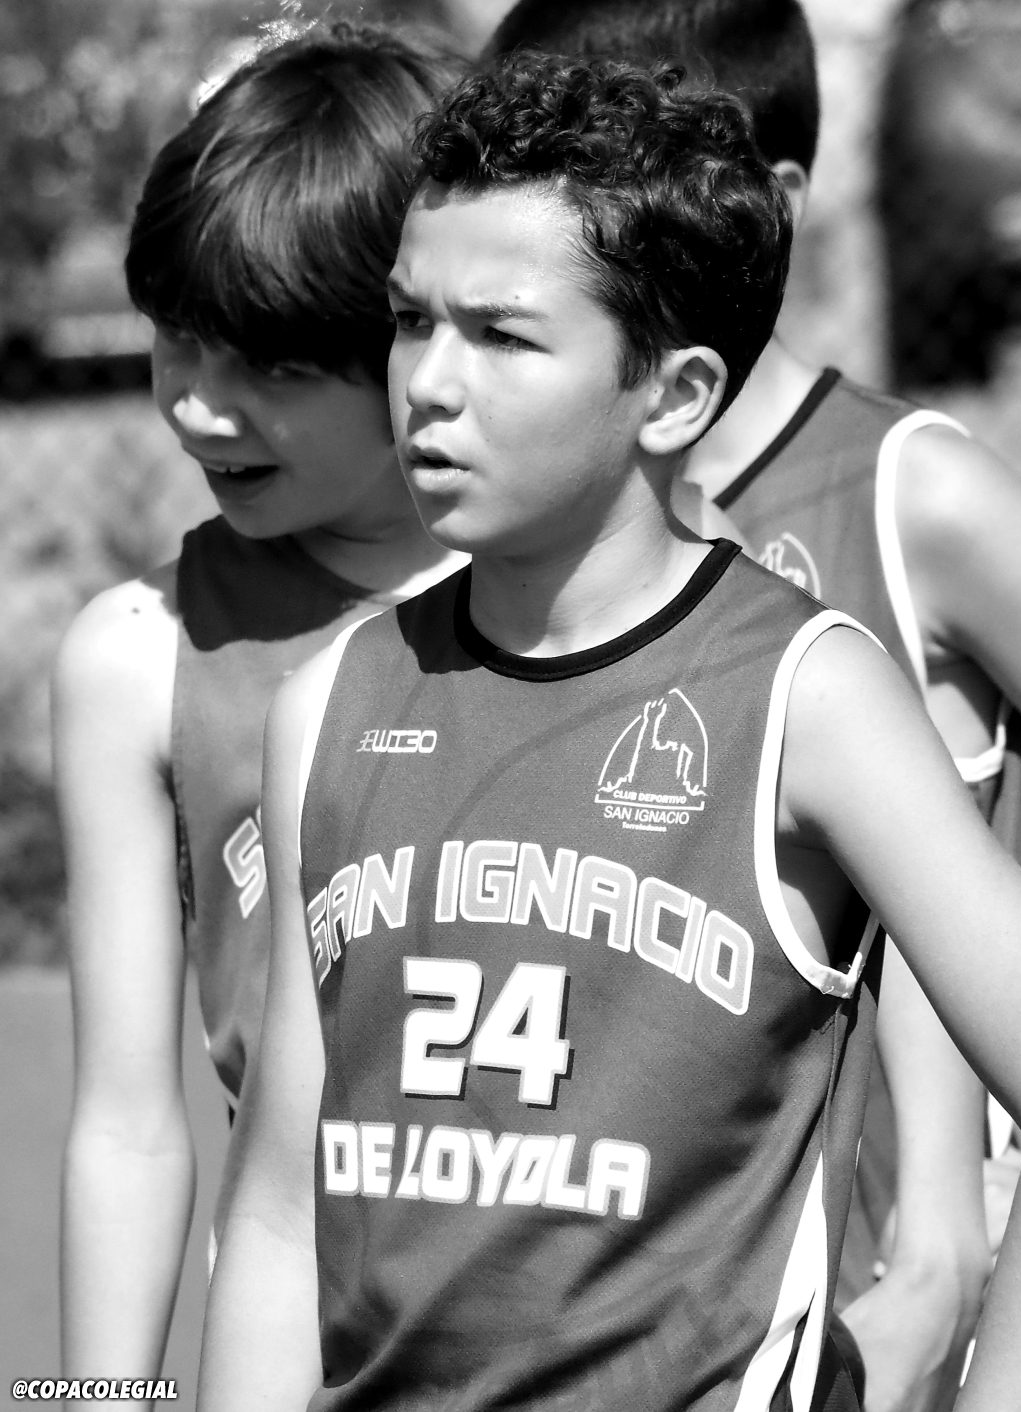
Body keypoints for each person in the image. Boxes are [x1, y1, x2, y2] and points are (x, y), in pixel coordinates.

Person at [199, 52, 1021, 1412]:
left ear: (674, 396)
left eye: (503, 337)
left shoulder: (809, 696)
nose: (429, 382)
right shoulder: (328, 702)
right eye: (409, 321)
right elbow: (279, 1212)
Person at [487, 3, 1021, 1407]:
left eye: (613, 173)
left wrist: (980, 1225)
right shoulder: (525, 537)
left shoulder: (917, 497)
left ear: (772, 201)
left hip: (905, 1330)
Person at [52, 21, 473, 1386]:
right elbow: (127, 1123)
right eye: (180, 343)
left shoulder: (613, 596)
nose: (201, 409)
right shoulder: (137, 657)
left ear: (420, 340)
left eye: (275, 368)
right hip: (296, 1344)